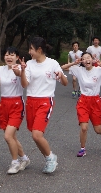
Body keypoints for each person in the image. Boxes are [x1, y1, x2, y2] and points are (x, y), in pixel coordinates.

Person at [15, 37, 68, 173]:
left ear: (39, 49)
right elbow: (25, 84)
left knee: (36, 135)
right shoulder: (29, 64)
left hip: (45, 101)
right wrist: (22, 71)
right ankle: (48, 157)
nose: (29, 52)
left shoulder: (52, 63)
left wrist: (60, 75)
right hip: (31, 101)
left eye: (31, 49)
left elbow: (65, 83)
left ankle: (51, 158)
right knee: (34, 134)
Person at [0, 46, 30, 174]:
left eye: (12, 55)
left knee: (8, 136)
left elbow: (22, 82)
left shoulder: (20, 70)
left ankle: (15, 162)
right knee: (12, 137)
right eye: (6, 55)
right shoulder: (1, 69)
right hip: (3, 104)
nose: (8, 57)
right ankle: (24, 159)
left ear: (17, 57)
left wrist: (20, 71)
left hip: (16, 104)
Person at [61, 53, 101, 157]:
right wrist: (74, 63)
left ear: (92, 59)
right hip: (83, 101)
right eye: (84, 59)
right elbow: (62, 68)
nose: (86, 60)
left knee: (97, 129)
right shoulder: (79, 70)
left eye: (88, 58)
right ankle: (82, 148)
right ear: (82, 61)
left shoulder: (99, 70)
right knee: (84, 127)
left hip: (96, 101)